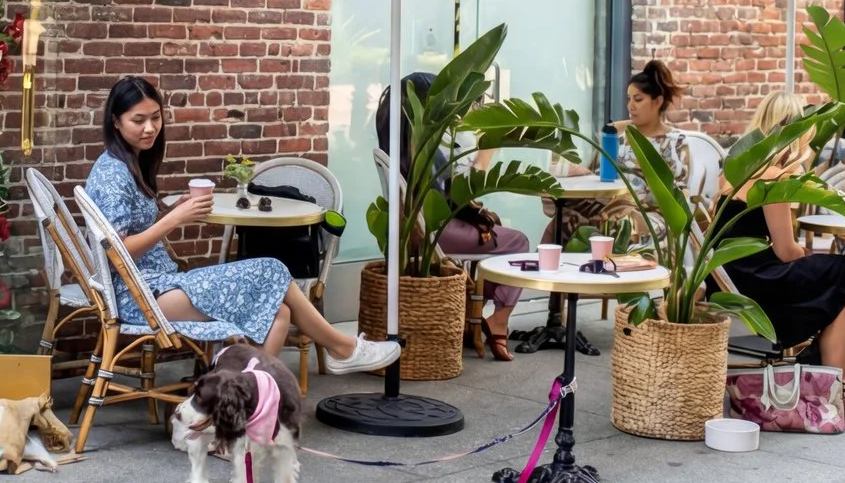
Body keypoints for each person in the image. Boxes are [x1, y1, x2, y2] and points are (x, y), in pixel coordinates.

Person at [85, 77, 401, 374]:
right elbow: (116, 251)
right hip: (140, 296)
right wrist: (173, 219)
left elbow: (125, 231)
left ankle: (234, 401)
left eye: (156, 117)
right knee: (273, 270)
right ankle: (342, 348)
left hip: (157, 287)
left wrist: (171, 210)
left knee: (280, 314)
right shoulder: (115, 173)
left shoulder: (125, 163)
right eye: (138, 120)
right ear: (115, 121)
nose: (150, 128)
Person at [714, 91, 845, 428]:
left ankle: (839, 400)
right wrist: (808, 255)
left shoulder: (737, 170)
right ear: (797, 130)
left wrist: (807, 257)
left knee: (840, 296)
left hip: (735, 277)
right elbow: (785, 251)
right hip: (758, 280)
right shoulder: (773, 178)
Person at [376, 73, 529, 360]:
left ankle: (466, 315)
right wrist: (484, 157)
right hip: (436, 234)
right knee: (518, 243)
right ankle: (497, 319)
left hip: (414, 231)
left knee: (499, 236)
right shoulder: (428, 146)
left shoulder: (399, 141)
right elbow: (463, 198)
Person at [556, 60, 721, 244]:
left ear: (657, 101)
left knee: (622, 225)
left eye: (638, 99)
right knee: (563, 215)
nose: (630, 106)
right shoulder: (618, 138)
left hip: (650, 216)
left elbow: (675, 196)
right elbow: (597, 178)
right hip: (609, 208)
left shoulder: (675, 143)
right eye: (629, 99)